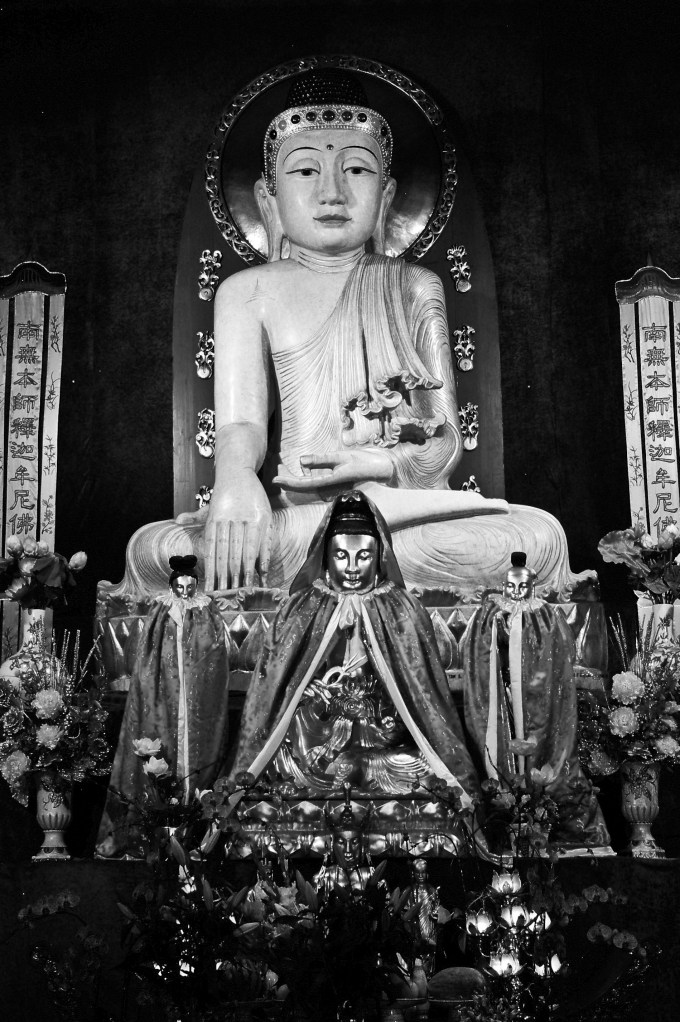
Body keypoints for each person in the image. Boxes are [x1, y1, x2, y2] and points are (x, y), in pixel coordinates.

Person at [107, 68, 591, 602]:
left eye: (356, 169)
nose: (332, 192)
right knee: (158, 550)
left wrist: (376, 464)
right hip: (296, 516)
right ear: (268, 198)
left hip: (397, 513)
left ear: (386, 195)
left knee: (536, 539)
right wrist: (237, 479)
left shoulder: (413, 287)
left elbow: (442, 437)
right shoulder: (248, 292)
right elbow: (242, 420)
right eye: (306, 170)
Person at [228, 490, 481, 812]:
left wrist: (388, 717)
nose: (351, 567)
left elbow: (422, 700)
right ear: (324, 557)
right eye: (341, 556)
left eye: (363, 556)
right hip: (321, 734)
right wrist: (313, 698)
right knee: (278, 757)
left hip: (380, 739)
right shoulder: (303, 608)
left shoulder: (401, 609)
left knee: (423, 763)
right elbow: (276, 694)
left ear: (380, 557)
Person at [462, 552, 611, 850]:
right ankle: (506, 817)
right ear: (503, 585)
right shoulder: (490, 614)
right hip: (503, 700)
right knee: (501, 751)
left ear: (534, 585)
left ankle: (541, 817)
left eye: (522, 587)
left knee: (544, 750)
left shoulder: (546, 616)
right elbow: (479, 653)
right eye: (511, 587)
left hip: (536, 701)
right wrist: (497, 630)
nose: (516, 594)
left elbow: (557, 665)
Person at [96, 555, 229, 856]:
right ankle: (156, 829)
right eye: (179, 586)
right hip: (164, 701)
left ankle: (196, 828)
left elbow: (215, 659)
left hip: (197, 703)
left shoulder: (207, 611)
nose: (185, 591)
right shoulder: (160, 612)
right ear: (172, 586)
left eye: (189, 585)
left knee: (200, 756)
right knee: (160, 756)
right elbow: (148, 659)